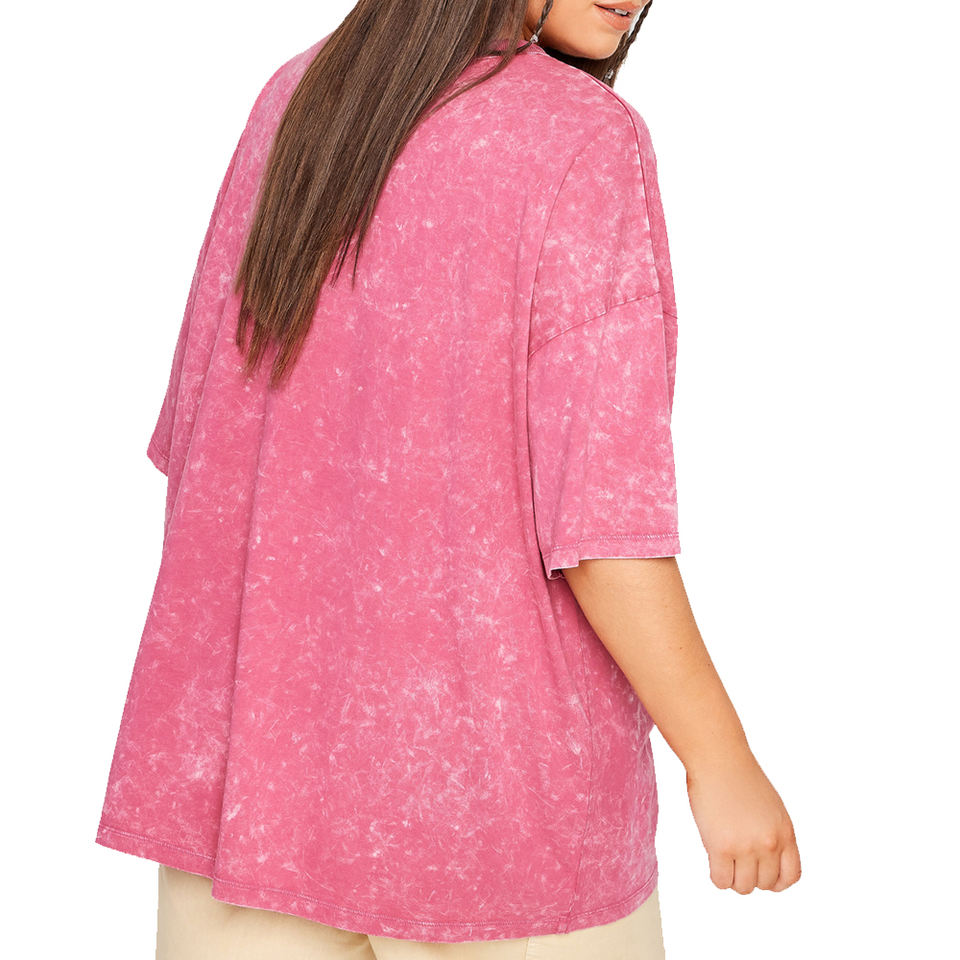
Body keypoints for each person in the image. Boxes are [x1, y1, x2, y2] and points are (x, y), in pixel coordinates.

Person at [94, 1, 802, 957]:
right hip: (502, 827)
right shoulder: (582, 139)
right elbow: (603, 527)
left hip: (253, 796)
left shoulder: (297, 96)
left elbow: (203, 452)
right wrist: (721, 759)